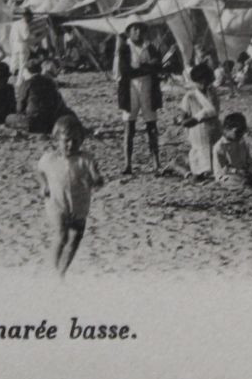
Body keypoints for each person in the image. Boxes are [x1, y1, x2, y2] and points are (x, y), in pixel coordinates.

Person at [35, 113, 105, 277]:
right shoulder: (50, 158)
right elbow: (39, 171)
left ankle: (62, 271)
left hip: (79, 204)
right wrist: (44, 185)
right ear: (56, 140)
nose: (71, 144)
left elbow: (97, 178)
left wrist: (95, 181)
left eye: (76, 140)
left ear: (82, 140)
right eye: (66, 140)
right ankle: (53, 270)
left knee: (75, 238)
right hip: (57, 203)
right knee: (62, 234)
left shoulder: (85, 159)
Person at [115, 23, 164, 175]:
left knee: (151, 125)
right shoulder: (124, 48)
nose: (138, 32)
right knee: (129, 126)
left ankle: (155, 162)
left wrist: (142, 68)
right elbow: (126, 71)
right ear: (129, 32)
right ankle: (127, 163)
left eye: (140, 29)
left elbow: (159, 66)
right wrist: (147, 67)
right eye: (134, 29)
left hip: (148, 88)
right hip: (130, 89)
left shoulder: (150, 47)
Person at [178, 63, 222, 179]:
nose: (204, 86)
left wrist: (205, 115)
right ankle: (177, 165)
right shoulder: (190, 97)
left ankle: (185, 161)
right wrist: (198, 117)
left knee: (218, 167)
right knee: (204, 171)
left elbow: (215, 112)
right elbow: (184, 121)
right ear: (196, 82)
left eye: (206, 83)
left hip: (214, 134)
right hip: (199, 135)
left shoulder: (213, 94)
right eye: (201, 83)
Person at [18, 58, 66, 135]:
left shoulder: (26, 84)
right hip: (50, 121)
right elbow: (57, 102)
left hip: (33, 122)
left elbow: (20, 107)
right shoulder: (50, 82)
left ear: (27, 71)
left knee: (9, 118)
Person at [213, 112, 252, 188]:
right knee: (230, 180)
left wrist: (248, 168)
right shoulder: (220, 146)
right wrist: (237, 171)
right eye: (237, 132)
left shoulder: (241, 142)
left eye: (242, 132)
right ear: (226, 129)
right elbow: (223, 168)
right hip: (225, 176)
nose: (240, 135)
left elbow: (248, 159)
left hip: (242, 174)